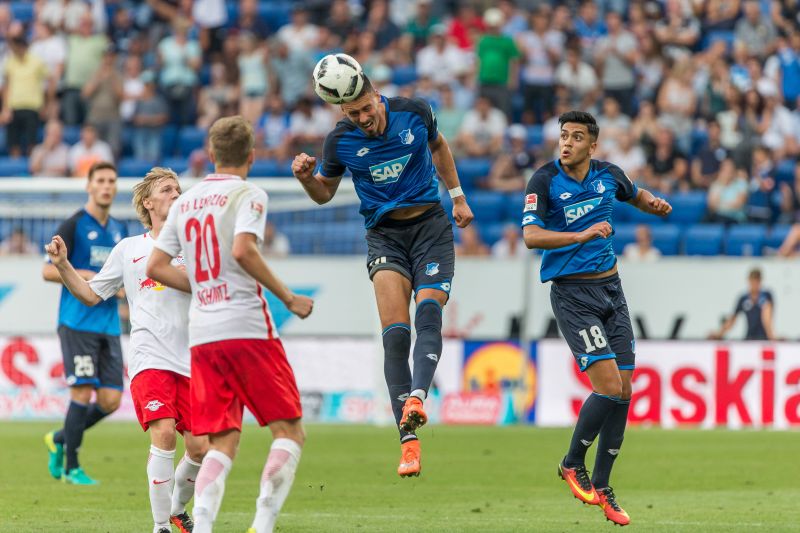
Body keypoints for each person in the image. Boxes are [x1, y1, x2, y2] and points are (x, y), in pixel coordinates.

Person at [291, 73, 474, 477]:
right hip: (384, 236)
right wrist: (307, 179)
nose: (363, 118)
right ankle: (408, 444)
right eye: (353, 113)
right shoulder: (339, 141)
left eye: (367, 108)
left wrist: (458, 197)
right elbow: (324, 192)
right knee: (395, 334)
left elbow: (439, 145)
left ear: (377, 96)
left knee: (429, 311)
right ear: (343, 110)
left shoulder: (415, 112)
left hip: (430, 227)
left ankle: (417, 398)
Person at [146, 116, 313, 533]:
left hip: (203, 337)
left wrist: (203, 286)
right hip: (247, 328)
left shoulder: (185, 203)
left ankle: (201, 527)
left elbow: (156, 265)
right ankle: (263, 523)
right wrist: (288, 296)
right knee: (289, 431)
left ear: (211, 153)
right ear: (252, 157)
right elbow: (243, 250)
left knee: (222, 442)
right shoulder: (248, 193)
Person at [522, 111, 671, 526]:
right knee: (606, 386)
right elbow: (531, 236)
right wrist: (580, 235)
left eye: (575, 137)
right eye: (562, 136)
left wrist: (653, 204)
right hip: (573, 295)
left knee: (624, 391)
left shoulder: (609, 174)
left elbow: (635, 194)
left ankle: (603, 488)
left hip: (613, 292)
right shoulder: (544, 181)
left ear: (593, 145)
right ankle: (572, 462)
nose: (566, 143)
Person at [44, 168, 207, 533]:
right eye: (167, 189)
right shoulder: (130, 249)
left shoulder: (195, 247)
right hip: (150, 358)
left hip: (192, 362)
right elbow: (90, 294)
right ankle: (160, 526)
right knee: (163, 433)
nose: (176, 193)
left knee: (201, 448)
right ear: (148, 203)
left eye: (179, 188)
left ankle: (177, 510)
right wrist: (63, 265)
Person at [42, 162, 128, 485]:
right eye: (101, 181)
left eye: (111, 181)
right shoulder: (74, 224)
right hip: (77, 321)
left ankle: (60, 438)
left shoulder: (119, 230)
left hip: (108, 326)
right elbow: (47, 270)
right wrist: (88, 276)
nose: (106, 186)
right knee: (81, 391)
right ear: (89, 186)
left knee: (110, 400)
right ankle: (71, 467)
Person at [709, 268, 775, 341]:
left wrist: (771, 337)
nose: (754, 284)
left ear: (760, 281)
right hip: (749, 337)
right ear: (749, 281)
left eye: (757, 281)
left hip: (763, 338)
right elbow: (732, 319)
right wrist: (719, 334)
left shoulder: (766, 296)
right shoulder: (743, 299)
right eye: (752, 281)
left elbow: (767, 319)